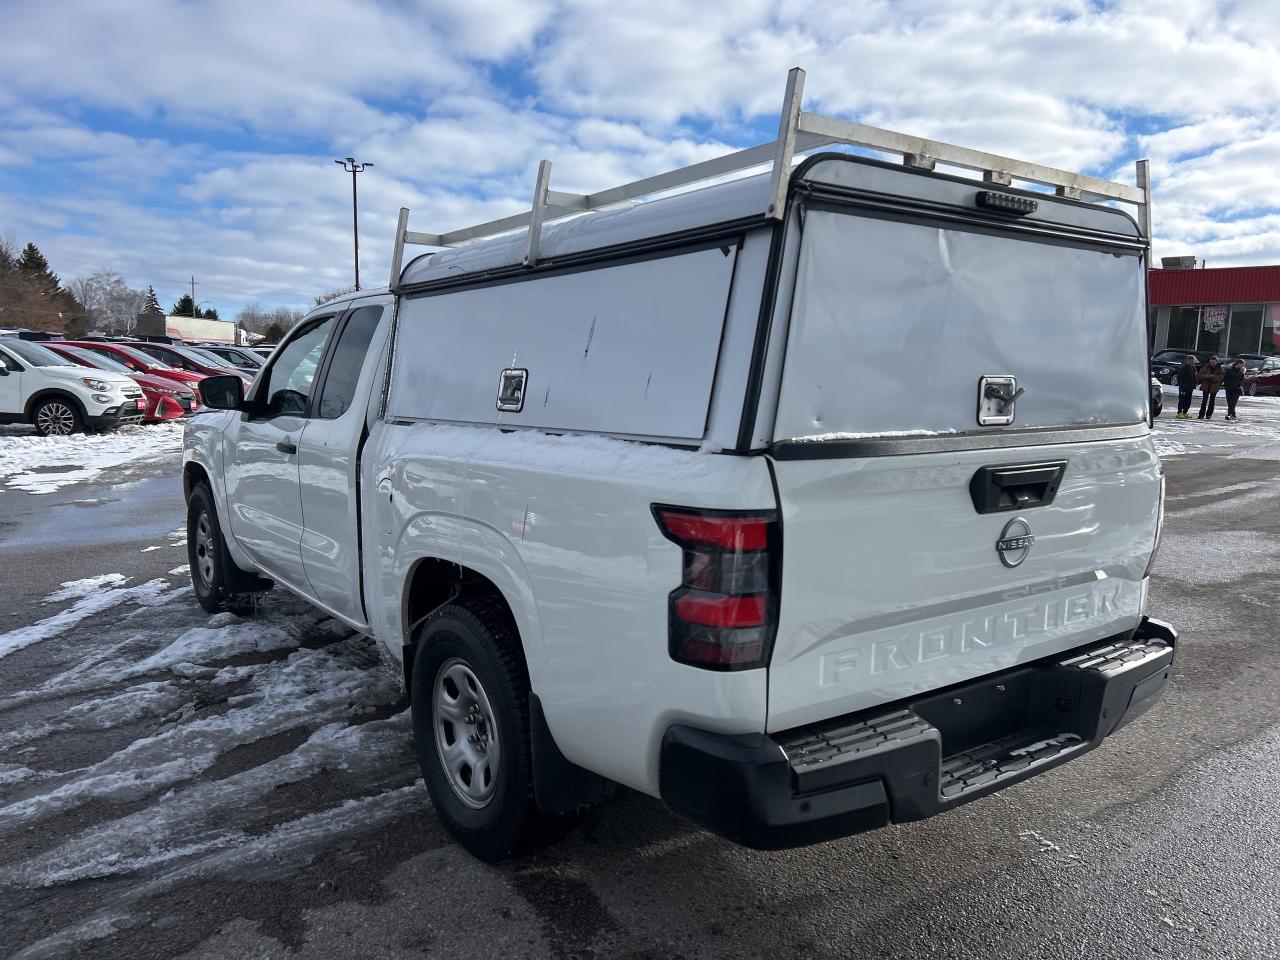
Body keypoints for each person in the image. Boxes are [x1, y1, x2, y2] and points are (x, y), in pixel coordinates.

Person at [1197, 355, 1225, 419]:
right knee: (1204, 401)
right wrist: (1207, 376)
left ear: (1216, 362)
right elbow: (1200, 375)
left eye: (1214, 362)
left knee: (1212, 401)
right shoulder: (1205, 367)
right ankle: (1201, 415)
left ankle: (1209, 414)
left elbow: (1221, 377)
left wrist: (1213, 377)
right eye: (1211, 362)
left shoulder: (1220, 368)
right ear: (1209, 361)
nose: (1212, 363)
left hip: (1214, 387)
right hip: (1205, 386)